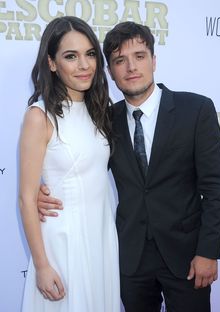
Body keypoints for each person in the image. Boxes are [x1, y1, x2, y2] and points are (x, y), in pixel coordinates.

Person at [38, 22, 220, 312]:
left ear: (153, 60)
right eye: (119, 61)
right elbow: (82, 168)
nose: (131, 67)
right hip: (129, 259)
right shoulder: (103, 119)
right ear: (110, 71)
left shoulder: (196, 110)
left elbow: (216, 188)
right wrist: (44, 192)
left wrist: (208, 252)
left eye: (139, 56)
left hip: (187, 257)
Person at [19, 16, 120, 312]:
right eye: (70, 56)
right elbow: (26, 198)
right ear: (51, 63)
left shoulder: (101, 110)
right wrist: (41, 266)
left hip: (101, 238)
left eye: (90, 54)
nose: (84, 65)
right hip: (63, 243)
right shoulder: (39, 116)